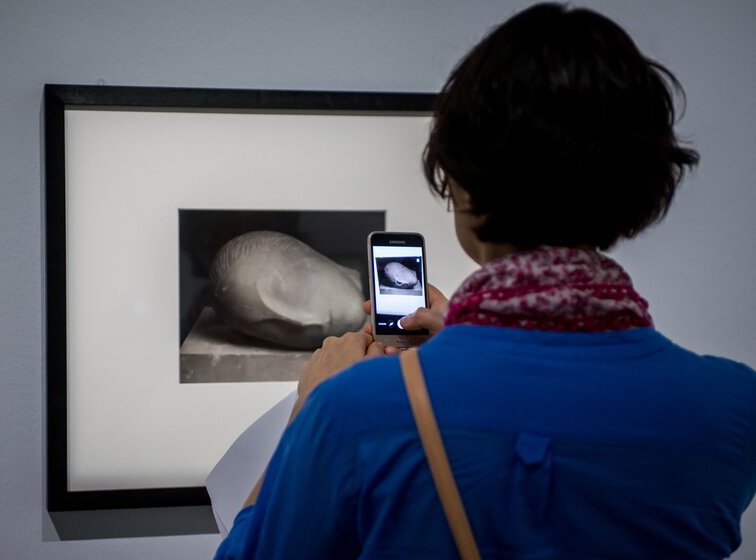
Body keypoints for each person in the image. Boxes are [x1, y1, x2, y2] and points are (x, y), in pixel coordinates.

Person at [214, 3, 756, 558]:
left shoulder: (352, 411)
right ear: (643, 188)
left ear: (462, 184)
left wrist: (307, 414)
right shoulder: (736, 408)